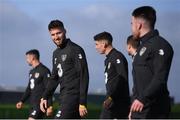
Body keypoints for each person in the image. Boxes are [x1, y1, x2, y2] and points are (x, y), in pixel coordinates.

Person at [129, 6, 174, 119]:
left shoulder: (161, 45)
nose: (131, 27)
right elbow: (138, 84)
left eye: (132, 23)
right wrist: (132, 109)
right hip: (138, 110)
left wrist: (143, 99)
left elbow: (160, 77)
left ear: (139, 25)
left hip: (154, 111)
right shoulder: (141, 47)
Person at [40, 20, 89, 119]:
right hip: (62, 97)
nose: (56, 37)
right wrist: (44, 96)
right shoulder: (56, 53)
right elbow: (54, 78)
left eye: (58, 33)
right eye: (53, 34)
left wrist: (82, 102)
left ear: (65, 31)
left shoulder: (75, 50)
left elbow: (84, 75)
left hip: (73, 97)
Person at [93, 31, 130, 119]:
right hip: (111, 100)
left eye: (97, 44)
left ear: (104, 44)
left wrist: (111, 97)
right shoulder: (108, 59)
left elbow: (123, 79)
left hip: (118, 102)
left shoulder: (117, 57)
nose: (96, 47)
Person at [16, 49, 53, 120]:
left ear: (32, 57)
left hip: (40, 104)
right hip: (32, 105)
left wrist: (50, 105)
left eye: (27, 58)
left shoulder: (44, 70)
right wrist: (22, 101)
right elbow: (29, 88)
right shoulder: (31, 72)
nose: (26, 60)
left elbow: (49, 89)